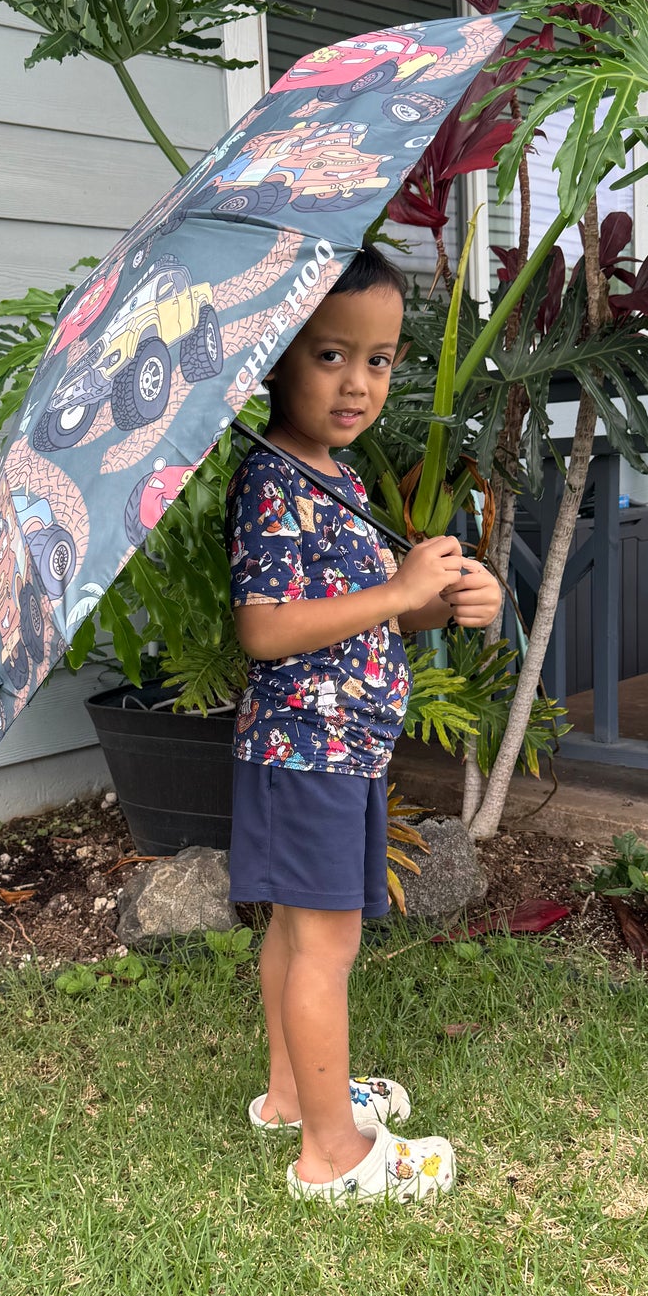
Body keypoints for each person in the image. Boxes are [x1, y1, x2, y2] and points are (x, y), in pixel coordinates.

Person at [227, 246, 503, 1206]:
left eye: (379, 360)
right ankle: (333, 1154)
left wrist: (436, 600)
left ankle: (288, 1094)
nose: (358, 382)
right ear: (275, 360)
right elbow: (265, 629)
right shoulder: (275, 483)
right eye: (329, 355)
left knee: (298, 931)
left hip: (331, 750)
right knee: (326, 946)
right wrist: (394, 587)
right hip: (309, 750)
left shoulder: (330, 474)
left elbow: (363, 609)